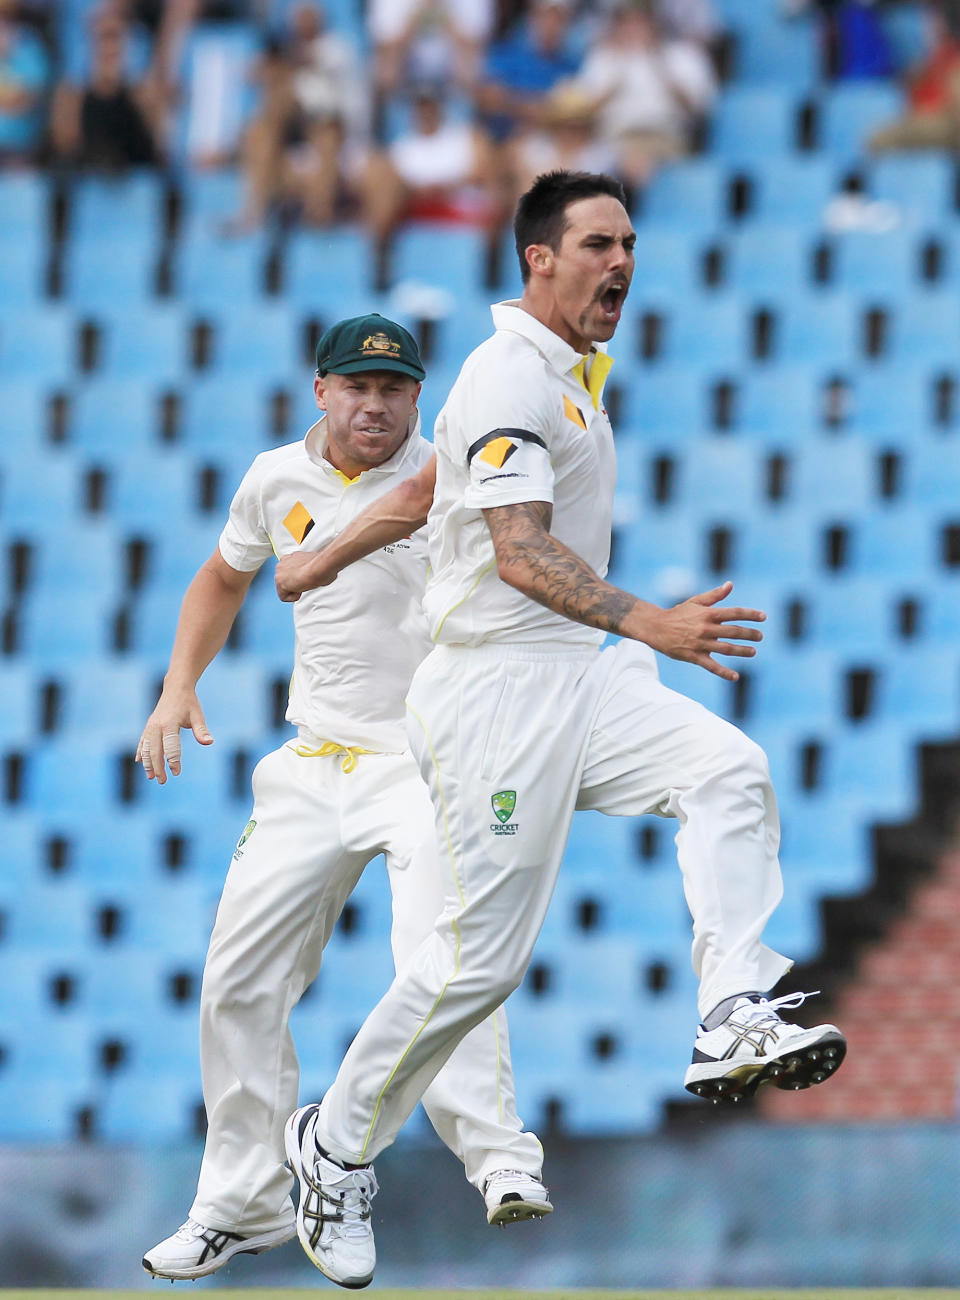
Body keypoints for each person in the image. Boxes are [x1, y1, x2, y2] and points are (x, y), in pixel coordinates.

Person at [280, 170, 847, 1289]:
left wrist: (321, 553)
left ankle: (733, 1003)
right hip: (493, 690)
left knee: (729, 769)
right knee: (474, 968)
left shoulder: (568, 376)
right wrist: (653, 621)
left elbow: (426, 492)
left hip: (576, 674)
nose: (623, 261)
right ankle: (335, 1146)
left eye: (630, 241)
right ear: (539, 257)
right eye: (597, 243)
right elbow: (516, 548)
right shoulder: (507, 372)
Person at [136, 313, 549, 1282]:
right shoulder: (274, 478)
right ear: (321, 391)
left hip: (425, 760)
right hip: (312, 762)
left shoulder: (455, 474)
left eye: (394, 388)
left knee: (441, 953)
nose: (375, 404)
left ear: (418, 396)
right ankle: (242, 1203)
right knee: (237, 979)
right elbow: (222, 575)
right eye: (356, 387)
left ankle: (497, 1158)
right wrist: (176, 682)